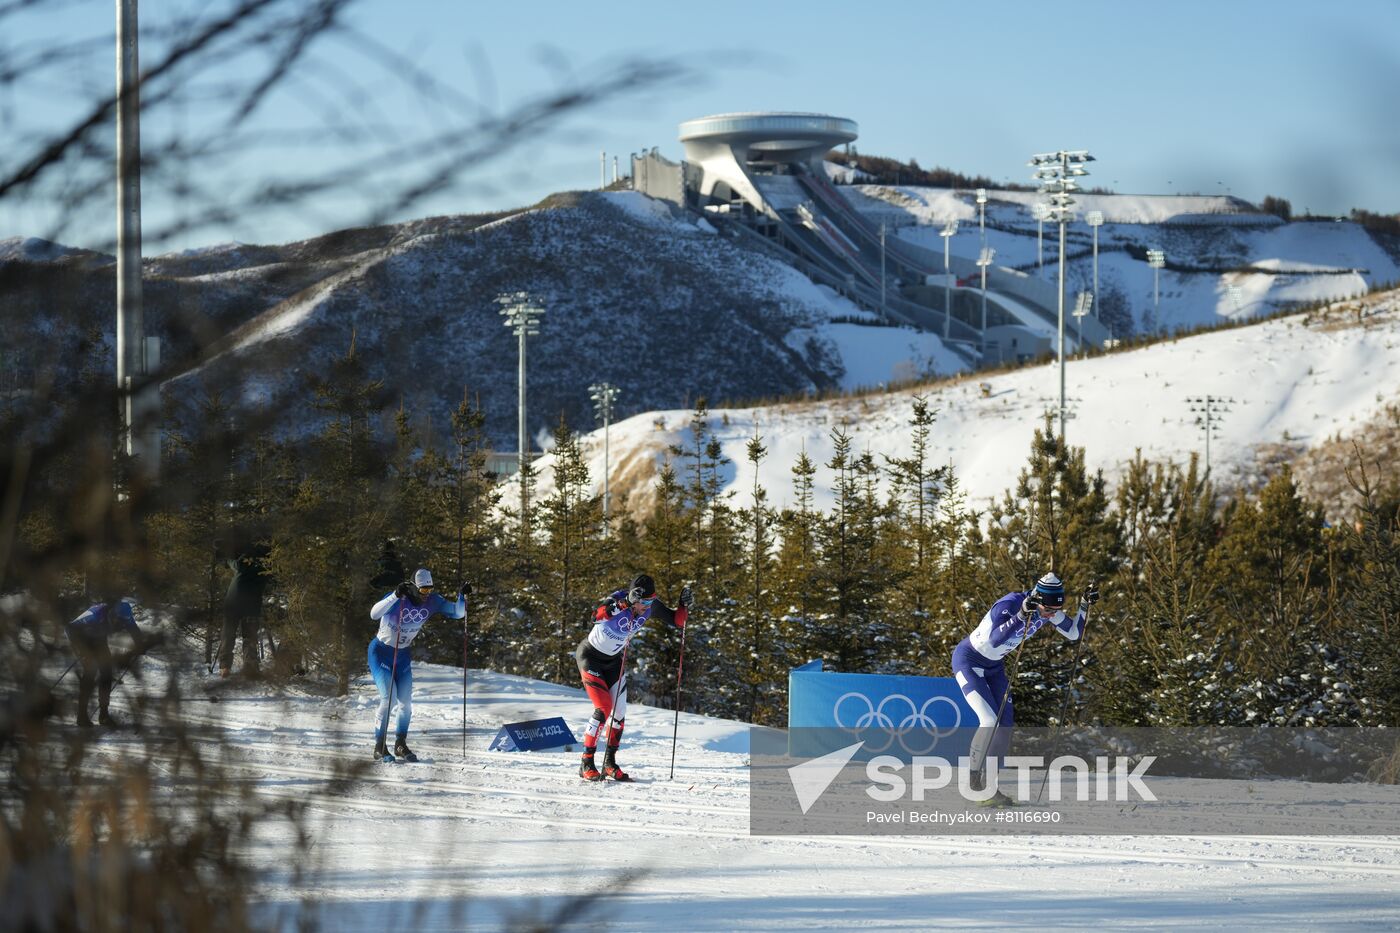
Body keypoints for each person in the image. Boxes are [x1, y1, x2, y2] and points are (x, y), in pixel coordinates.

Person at [950, 572, 1099, 806]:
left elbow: (1073, 633)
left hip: (994, 667)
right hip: (969, 660)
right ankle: (973, 779)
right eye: (1047, 610)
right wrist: (1021, 614)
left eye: (1053, 611)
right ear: (1037, 599)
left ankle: (989, 788)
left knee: (1005, 725)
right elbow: (995, 640)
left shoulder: (1046, 609)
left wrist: (1083, 606)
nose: (1050, 615)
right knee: (989, 720)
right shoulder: (1009, 604)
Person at [575, 574, 692, 782]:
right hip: (591, 657)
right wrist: (625, 603)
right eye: (643, 601)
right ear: (633, 597)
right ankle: (586, 763)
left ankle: (609, 763)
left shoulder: (651, 606)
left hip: (613, 662)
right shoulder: (619, 599)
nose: (646, 606)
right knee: (603, 708)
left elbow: (677, 621)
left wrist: (683, 605)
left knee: (619, 713)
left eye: (650, 600)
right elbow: (596, 616)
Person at [368, 568, 469, 762]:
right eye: (423, 590)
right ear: (414, 587)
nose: (427, 594)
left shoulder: (433, 600)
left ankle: (400, 743)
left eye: (430, 589)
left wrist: (461, 596)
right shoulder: (399, 597)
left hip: (403, 654)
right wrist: (395, 596)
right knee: (389, 698)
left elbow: (457, 613)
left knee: (405, 702)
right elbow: (374, 614)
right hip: (381, 652)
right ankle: (379, 746)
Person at [66, 598, 150, 728]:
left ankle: (104, 715)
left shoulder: (125, 615)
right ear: (112, 614)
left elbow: (134, 630)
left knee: (107, 673)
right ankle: (81, 716)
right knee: (90, 673)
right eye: (117, 620)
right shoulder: (97, 614)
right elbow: (70, 628)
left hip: (98, 637)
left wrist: (141, 646)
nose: (118, 624)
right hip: (80, 635)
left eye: (121, 622)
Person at [219, 539, 271, 678]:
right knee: (250, 635)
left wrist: (228, 559)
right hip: (253, 601)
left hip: (234, 600)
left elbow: (238, 565)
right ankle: (250, 666)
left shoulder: (247, 557)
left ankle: (225, 667)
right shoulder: (268, 564)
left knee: (228, 633)